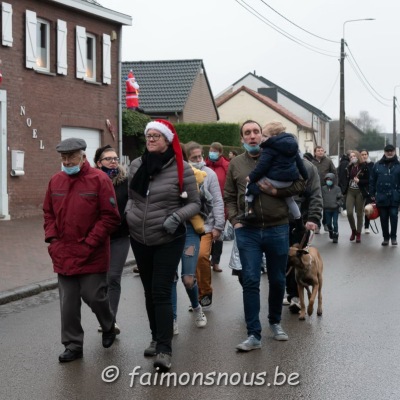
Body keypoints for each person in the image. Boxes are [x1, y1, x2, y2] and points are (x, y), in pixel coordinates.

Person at [125, 119, 200, 372]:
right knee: (148, 290)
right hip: (139, 236)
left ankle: (164, 350)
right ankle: (155, 337)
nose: (151, 139)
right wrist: (129, 215)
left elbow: (195, 204)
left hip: (169, 237)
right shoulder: (137, 164)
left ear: (168, 140)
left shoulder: (182, 168)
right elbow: (131, 197)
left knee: (160, 291)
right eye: (149, 136)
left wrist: (177, 217)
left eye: (157, 136)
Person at [224, 120, 304, 351]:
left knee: (278, 279)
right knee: (250, 279)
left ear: (263, 136)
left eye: (256, 132)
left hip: (277, 227)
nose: (252, 136)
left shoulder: (281, 154)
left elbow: (301, 183)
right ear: (242, 139)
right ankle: (253, 334)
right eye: (247, 133)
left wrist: (276, 191)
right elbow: (229, 195)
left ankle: (275, 322)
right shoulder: (236, 164)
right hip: (247, 230)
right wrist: (234, 220)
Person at [43, 138, 121, 363]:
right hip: (63, 252)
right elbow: (48, 212)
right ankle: (73, 345)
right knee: (68, 303)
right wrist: (53, 239)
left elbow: (110, 217)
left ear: (84, 156)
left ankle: (108, 325)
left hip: (92, 252)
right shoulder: (55, 181)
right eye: (64, 157)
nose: (67, 161)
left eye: (72, 157)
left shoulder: (99, 180)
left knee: (94, 296)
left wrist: (89, 242)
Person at [243, 121, 308, 237]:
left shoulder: (270, 148)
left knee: (251, 184)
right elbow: (300, 164)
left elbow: (262, 167)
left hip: (275, 181)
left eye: (265, 136)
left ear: (273, 137)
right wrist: (306, 176)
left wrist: (251, 178)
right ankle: (299, 221)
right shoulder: (293, 147)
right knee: (290, 200)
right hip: (289, 181)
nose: (262, 139)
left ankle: (250, 208)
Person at [171, 145, 208, 335]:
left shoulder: (191, 174)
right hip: (167, 234)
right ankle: (173, 319)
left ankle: (197, 308)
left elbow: (200, 200)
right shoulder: (158, 174)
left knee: (187, 279)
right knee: (170, 277)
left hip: (190, 233)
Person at [94, 145, 130, 335]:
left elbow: (133, 202)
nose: (113, 161)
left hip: (120, 237)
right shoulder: (92, 182)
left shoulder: (125, 181)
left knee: (113, 277)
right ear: (99, 163)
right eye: (108, 159)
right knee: (99, 281)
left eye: (115, 158)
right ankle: (104, 316)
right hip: (98, 238)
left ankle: (110, 321)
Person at [187, 141, 225, 308]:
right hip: (187, 227)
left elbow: (217, 200)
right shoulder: (183, 173)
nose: (198, 159)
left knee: (202, 256)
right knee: (190, 262)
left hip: (206, 226)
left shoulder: (210, 174)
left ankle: (205, 292)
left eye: (199, 156)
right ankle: (195, 296)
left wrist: (219, 226)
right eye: (193, 157)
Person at [205, 142, 230, 272]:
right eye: (210, 150)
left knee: (218, 234)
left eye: (215, 150)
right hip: (206, 206)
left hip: (222, 205)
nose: (212, 152)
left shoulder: (226, 166)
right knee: (206, 233)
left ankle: (216, 262)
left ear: (220, 152)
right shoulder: (205, 165)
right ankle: (206, 257)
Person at [369, 144, 400, 246]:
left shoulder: (398, 165)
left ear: (394, 151)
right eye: (387, 151)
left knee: (394, 217)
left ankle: (394, 237)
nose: (389, 152)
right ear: (384, 152)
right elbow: (372, 181)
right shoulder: (377, 165)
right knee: (383, 218)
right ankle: (386, 238)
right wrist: (372, 194)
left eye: (391, 151)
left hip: (395, 196)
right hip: (381, 197)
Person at [344, 150, 369, 243]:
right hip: (350, 191)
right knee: (349, 212)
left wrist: (360, 181)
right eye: (351, 157)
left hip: (360, 191)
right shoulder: (349, 167)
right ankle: (353, 230)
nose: (352, 158)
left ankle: (358, 233)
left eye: (354, 156)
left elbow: (368, 180)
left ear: (358, 156)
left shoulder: (364, 167)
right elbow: (344, 179)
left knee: (359, 214)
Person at [311, 145, 337, 232]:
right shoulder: (311, 162)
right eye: (318, 150)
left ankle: (325, 223)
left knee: (326, 206)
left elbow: (334, 173)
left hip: (326, 187)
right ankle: (317, 225)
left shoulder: (328, 161)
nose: (320, 152)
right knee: (316, 206)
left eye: (322, 150)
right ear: (315, 152)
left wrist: (335, 185)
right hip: (315, 187)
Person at [321, 173, 343, 243]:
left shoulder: (337, 189)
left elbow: (341, 198)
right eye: (327, 179)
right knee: (328, 223)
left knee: (335, 223)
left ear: (333, 180)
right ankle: (331, 232)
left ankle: (335, 235)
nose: (329, 181)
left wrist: (338, 204)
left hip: (335, 209)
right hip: (327, 209)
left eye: (330, 179)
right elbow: (320, 197)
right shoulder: (323, 188)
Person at [360, 149, 374, 234]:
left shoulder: (371, 165)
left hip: (368, 189)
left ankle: (366, 226)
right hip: (359, 189)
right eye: (362, 154)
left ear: (367, 155)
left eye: (365, 154)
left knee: (367, 208)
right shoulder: (358, 164)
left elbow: (371, 177)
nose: (364, 156)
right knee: (359, 209)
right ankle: (359, 225)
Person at [337, 150, 351, 216]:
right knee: (345, 197)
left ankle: (343, 208)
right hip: (345, 184)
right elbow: (342, 175)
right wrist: (344, 185)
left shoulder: (344, 162)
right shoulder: (345, 163)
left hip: (344, 183)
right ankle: (343, 208)